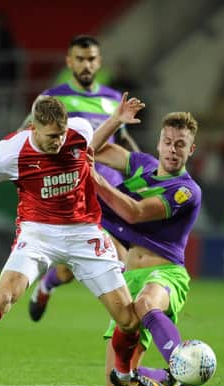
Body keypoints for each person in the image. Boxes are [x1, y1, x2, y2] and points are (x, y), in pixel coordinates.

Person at [0, 95, 167, 386]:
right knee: (4, 297)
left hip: (84, 233)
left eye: (61, 134)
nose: (58, 141)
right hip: (37, 235)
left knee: (128, 321)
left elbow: (87, 147)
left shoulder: (79, 130)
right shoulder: (11, 152)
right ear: (33, 127)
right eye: (51, 136)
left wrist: (114, 122)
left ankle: (124, 374)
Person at [90, 111, 208, 386]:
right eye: (168, 141)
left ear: (190, 150)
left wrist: (92, 176)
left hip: (166, 273)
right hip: (129, 275)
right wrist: (113, 122)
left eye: (180, 144)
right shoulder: (141, 165)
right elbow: (91, 150)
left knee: (145, 302)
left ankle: (188, 378)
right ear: (158, 143)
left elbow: (135, 212)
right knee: (114, 380)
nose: (172, 149)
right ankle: (169, 377)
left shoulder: (186, 191)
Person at [25, 34, 140, 322]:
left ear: (99, 62)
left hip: (110, 192)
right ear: (69, 62)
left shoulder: (114, 100)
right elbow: (26, 138)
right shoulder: (53, 99)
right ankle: (125, 331)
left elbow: (125, 142)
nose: (86, 65)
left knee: (105, 265)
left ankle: (47, 286)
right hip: (73, 194)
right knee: (90, 266)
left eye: (91, 59)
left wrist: (148, 174)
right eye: (80, 59)